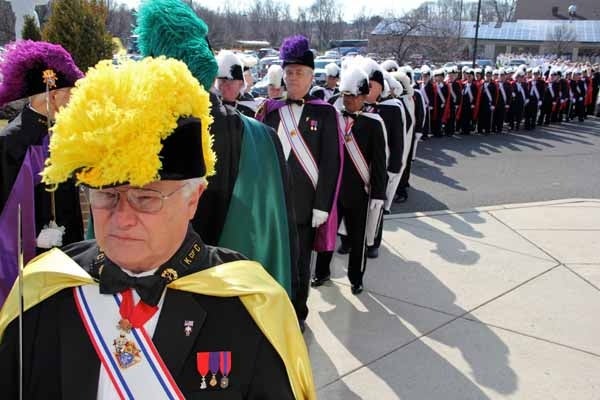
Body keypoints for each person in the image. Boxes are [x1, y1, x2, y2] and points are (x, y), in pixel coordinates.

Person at [0, 57, 315, 400]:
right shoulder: (43, 290)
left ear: (193, 198)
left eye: (145, 198)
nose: (121, 217)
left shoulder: (253, 308)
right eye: (106, 196)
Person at [135, 0, 296, 297]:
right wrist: (294, 311)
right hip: (242, 310)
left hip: (147, 317)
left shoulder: (127, 138)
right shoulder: (262, 139)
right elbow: (283, 238)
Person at [257, 35, 341, 332]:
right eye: (289, 72)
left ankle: (297, 314)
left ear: (310, 76)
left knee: (300, 265)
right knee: (270, 261)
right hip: (272, 203)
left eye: (299, 73)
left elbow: (332, 162)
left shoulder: (326, 112)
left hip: (305, 207)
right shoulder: (271, 110)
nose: (293, 78)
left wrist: (322, 205)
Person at [0, 40, 84, 305]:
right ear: (53, 93)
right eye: (69, 92)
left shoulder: (66, 135)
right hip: (22, 260)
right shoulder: (9, 142)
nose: (72, 98)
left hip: (64, 252)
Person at [312, 66, 386, 295]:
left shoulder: (374, 123)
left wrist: (378, 194)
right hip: (334, 190)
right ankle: (321, 272)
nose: (349, 101)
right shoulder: (333, 118)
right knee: (327, 234)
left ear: (364, 97)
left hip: (359, 191)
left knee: (357, 238)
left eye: (353, 96)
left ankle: (356, 278)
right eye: (345, 95)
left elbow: (380, 162)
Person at [215, 50, 255, 117]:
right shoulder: (212, 107)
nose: (223, 86)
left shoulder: (249, 109)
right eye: (221, 81)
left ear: (241, 84)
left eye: (230, 82)